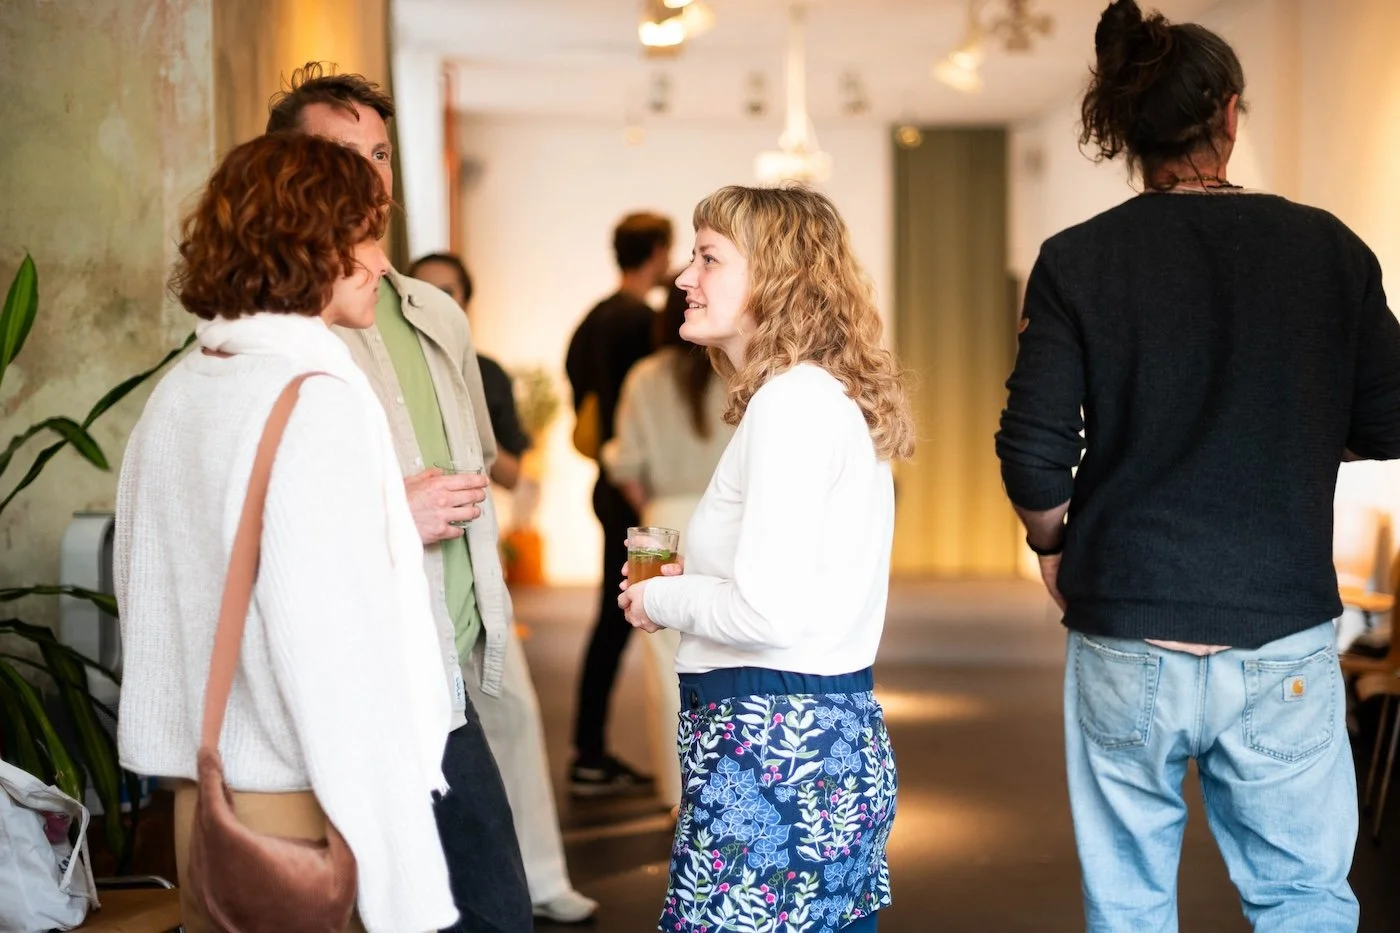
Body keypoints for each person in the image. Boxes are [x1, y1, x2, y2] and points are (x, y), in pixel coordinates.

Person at [994, 2, 1400, 930]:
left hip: (1126, 618)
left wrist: (1052, 545)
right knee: (1303, 898)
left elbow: (1033, 449)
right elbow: (1389, 414)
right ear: (1227, 113)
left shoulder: (1078, 260)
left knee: (1129, 904)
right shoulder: (1329, 249)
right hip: (1281, 625)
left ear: (1129, 131)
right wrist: (1290, 439)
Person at [115, 133, 456, 933]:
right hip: (303, 803)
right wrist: (399, 864)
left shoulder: (182, 388)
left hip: (205, 802)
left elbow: (143, 593)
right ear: (315, 244)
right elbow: (333, 650)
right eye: (365, 237)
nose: (381, 263)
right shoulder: (316, 400)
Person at [265, 63, 554, 930]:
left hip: (443, 675)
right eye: (342, 154)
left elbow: (478, 454)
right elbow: (254, 514)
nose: (371, 176)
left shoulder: (436, 312)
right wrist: (394, 510)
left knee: (489, 911)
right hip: (343, 676)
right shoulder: (274, 325)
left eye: (382, 153)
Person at [618, 185, 914, 933]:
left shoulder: (792, 403)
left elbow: (766, 613)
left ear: (776, 277)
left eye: (709, 258)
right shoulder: (816, 397)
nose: (684, 277)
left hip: (773, 750)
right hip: (811, 741)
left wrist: (658, 599)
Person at [409, 250, 599, 924]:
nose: (438, 300)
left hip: (470, 557)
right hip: (405, 564)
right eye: (426, 288)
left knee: (512, 714)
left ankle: (543, 876)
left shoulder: (480, 369)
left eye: (451, 291)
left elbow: (510, 465)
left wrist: (474, 462)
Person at [601, 280, 735, 806]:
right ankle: (724, 787)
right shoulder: (738, 372)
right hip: (728, 519)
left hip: (663, 525)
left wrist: (655, 514)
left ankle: (678, 796)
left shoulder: (644, 376)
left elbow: (626, 466)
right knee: (730, 653)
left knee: (665, 666)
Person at [564, 211, 673, 795]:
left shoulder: (592, 320)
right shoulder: (643, 327)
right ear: (656, 252)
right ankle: (591, 753)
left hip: (612, 486)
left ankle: (590, 749)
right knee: (641, 620)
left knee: (615, 617)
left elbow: (581, 399)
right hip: (646, 497)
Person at [410, 253, 531, 490]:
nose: (435, 304)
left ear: (465, 301)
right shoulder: (396, 367)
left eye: (446, 293)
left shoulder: (489, 373)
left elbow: (511, 477)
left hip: (471, 504)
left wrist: (469, 420)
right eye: (422, 292)